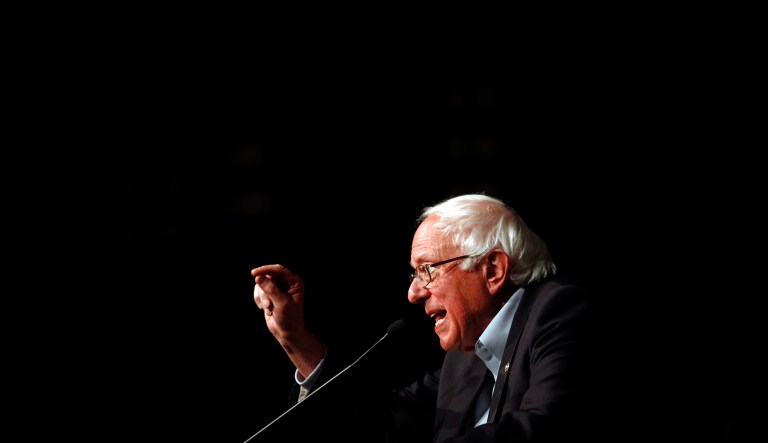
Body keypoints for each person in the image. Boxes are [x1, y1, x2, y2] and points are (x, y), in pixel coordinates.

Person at [250, 193, 604, 442]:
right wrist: (295, 339)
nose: (414, 293)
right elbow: (383, 428)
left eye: (427, 270)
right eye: (414, 274)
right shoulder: (464, 360)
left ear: (492, 269)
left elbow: (549, 426)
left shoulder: (560, 311)